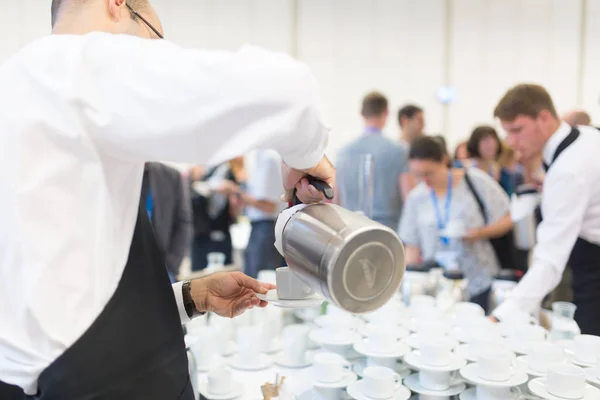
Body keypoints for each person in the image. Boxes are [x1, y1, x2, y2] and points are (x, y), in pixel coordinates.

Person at [0, 1, 335, 399]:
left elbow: (56, 302)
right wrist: (306, 157)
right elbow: (290, 92)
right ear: (116, 5)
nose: (153, 58)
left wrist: (190, 297)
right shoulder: (73, 68)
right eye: (155, 42)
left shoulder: (20, 92)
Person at [490, 84, 600, 335]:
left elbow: (550, 261)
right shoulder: (583, 135)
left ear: (544, 117)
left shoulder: (569, 170)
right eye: (507, 133)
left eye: (517, 130)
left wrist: (501, 316)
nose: (512, 142)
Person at [398, 137, 512, 312]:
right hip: (435, 286)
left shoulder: (475, 182)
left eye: (429, 173)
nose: (424, 180)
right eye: (418, 175)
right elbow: (412, 246)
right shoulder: (416, 197)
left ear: (444, 160)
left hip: (477, 280)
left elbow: (508, 218)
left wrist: (480, 232)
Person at [336, 92, 411, 228]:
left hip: (351, 229)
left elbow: (335, 198)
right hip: (388, 230)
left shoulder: (343, 152)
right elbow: (408, 198)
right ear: (387, 112)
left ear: (361, 113)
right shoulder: (399, 150)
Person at [190, 158, 244, 271]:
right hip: (201, 235)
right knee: (197, 277)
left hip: (222, 234)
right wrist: (214, 187)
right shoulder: (200, 172)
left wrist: (232, 193)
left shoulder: (230, 173)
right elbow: (193, 188)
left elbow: (236, 205)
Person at [142, 162, 193, 281]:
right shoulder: (118, 175)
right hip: (127, 267)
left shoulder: (171, 175)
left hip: (163, 264)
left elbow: (183, 222)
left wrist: (172, 264)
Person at [241, 149, 286, 278]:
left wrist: (241, 195)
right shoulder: (259, 156)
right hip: (260, 228)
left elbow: (269, 206)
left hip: (266, 228)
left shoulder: (269, 158)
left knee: (261, 280)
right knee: (253, 277)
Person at [461, 126, 520, 196]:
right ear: (475, 142)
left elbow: (507, 198)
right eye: (485, 140)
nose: (491, 144)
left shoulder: (504, 174)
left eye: (494, 139)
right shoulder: (459, 168)